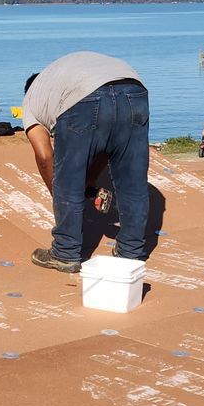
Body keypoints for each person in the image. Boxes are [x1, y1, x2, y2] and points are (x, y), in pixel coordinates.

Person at [20, 52, 151, 273]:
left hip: (85, 99)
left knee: (66, 178)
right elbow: (101, 147)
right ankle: (130, 251)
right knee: (133, 181)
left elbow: (44, 158)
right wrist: (88, 185)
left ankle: (65, 252)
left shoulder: (30, 101)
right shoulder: (58, 76)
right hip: (134, 89)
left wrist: (63, 194)